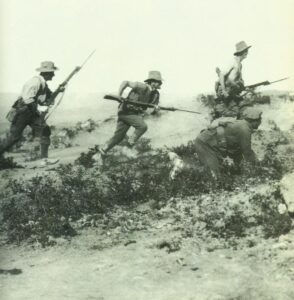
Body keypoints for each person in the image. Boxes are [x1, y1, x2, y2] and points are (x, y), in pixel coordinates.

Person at [0, 61, 65, 165]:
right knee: (14, 137)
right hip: (24, 112)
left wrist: (59, 90)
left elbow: (49, 96)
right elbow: (27, 99)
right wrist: (39, 107)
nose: (53, 75)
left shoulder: (43, 83)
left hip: (32, 112)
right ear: (46, 73)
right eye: (52, 72)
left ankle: (44, 160)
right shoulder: (35, 82)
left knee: (45, 131)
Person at [98, 71, 163, 156]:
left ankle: (104, 149)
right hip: (126, 111)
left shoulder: (156, 94)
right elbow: (125, 82)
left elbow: (152, 111)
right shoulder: (142, 86)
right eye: (158, 82)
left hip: (132, 114)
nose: (160, 84)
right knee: (142, 127)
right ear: (153, 82)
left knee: (119, 136)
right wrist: (119, 95)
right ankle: (127, 147)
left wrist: (156, 110)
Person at [195, 107, 262, 182]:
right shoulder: (244, 130)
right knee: (215, 176)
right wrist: (258, 167)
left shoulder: (242, 124)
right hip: (205, 143)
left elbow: (237, 150)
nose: (260, 122)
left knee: (221, 172)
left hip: (211, 142)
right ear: (254, 121)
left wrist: (239, 166)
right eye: (260, 120)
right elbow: (247, 152)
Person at [213, 41, 252, 119]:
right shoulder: (233, 61)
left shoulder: (240, 64)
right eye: (246, 51)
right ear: (243, 52)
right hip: (226, 91)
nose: (247, 53)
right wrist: (224, 91)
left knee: (239, 108)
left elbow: (238, 81)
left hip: (232, 91)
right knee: (232, 113)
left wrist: (244, 88)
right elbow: (221, 75)